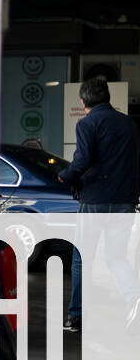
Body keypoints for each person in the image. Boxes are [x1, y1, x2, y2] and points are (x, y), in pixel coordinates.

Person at [57, 78, 140, 333]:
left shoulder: (87, 123)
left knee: (82, 258)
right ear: (107, 97)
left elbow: (82, 160)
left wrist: (65, 175)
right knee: (116, 257)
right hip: (124, 201)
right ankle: (134, 297)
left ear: (83, 101)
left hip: (94, 201)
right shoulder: (129, 124)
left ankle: (76, 317)